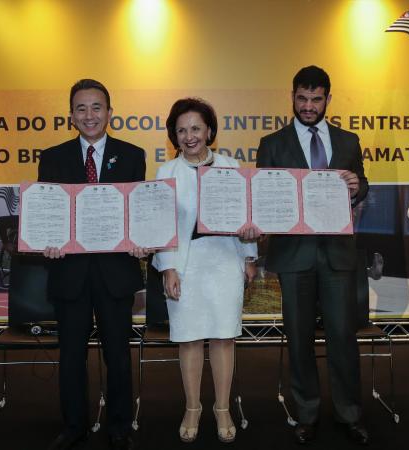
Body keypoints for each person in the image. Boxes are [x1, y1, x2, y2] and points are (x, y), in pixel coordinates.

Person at [247, 66, 370, 445]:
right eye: (302, 98)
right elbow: (263, 195)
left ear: (328, 99)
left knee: (342, 338)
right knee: (298, 339)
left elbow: (361, 185)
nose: (308, 106)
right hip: (294, 255)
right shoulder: (272, 143)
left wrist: (356, 185)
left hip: (336, 253)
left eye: (316, 99)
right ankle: (307, 412)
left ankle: (349, 413)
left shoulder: (348, 141)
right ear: (292, 96)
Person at [38, 79, 148, 450]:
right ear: (71, 115)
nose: (89, 115)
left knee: (117, 355)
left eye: (96, 107)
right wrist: (46, 244)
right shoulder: (52, 158)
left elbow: (138, 213)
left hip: (116, 273)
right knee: (70, 356)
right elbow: (48, 215)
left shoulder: (132, 155)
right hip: (69, 273)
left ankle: (119, 426)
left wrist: (141, 242)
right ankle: (73, 427)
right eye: (81, 108)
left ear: (110, 113)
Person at [152, 98, 257, 444]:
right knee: (190, 338)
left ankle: (223, 407)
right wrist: (168, 267)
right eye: (181, 130)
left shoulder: (231, 165)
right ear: (174, 136)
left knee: (224, 337)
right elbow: (161, 226)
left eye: (196, 128)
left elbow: (246, 217)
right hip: (185, 265)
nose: (189, 136)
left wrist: (250, 257)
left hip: (225, 261)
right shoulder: (165, 173)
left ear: (209, 130)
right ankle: (193, 407)